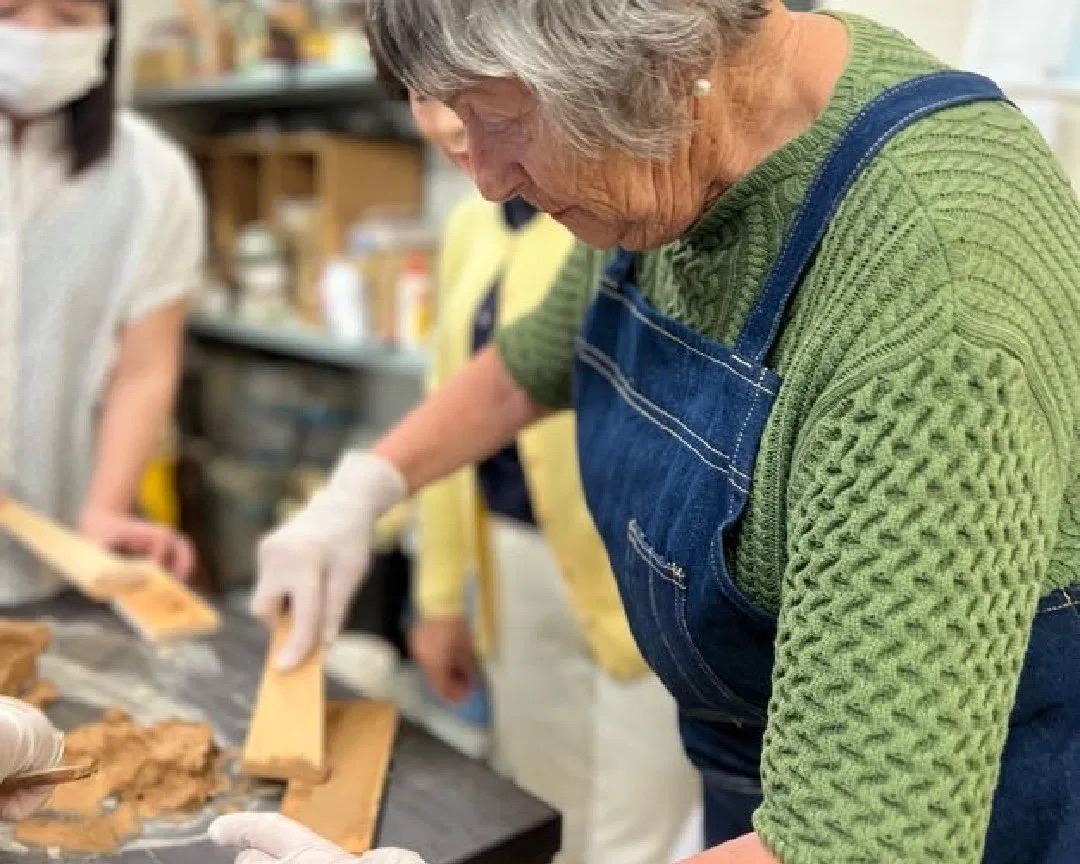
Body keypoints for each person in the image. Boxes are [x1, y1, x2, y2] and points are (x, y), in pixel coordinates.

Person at [237, 2, 1080, 863]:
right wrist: (363, 488)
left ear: (651, 61)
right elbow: (535, 357)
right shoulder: (666, 149)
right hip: (759, 804)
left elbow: (857, 844)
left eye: (497, 118)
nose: (486, 179)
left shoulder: (935, 288)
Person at [411, 89, 698, 863]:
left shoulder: (623, 216)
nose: (443, 124)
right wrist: (439, 595)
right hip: (516, 560)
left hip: (640, 562)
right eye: (418, 94)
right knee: (547, 810)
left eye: (461, 96)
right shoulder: (470, 227)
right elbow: (455, 401)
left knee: (645, 829)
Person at [0, 0, 202, 605]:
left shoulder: (151, 177)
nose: (36, 37)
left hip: (52, 552)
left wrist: (105, 510)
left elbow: (142, 369)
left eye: (66, 17)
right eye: (8, 10)